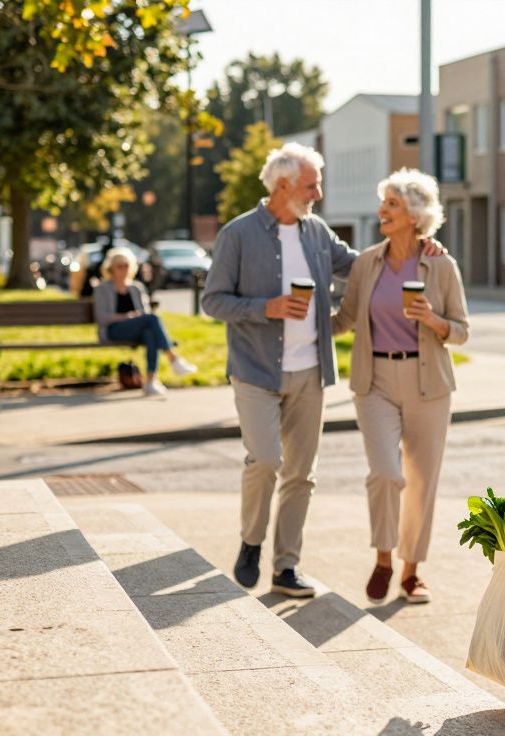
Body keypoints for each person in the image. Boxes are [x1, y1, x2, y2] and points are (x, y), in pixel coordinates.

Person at [203, 142, 441, 599]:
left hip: (311, 372)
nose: (318, 193)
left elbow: (363, 266)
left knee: (300, 474)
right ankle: (252, 540)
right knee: (266, 460)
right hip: (256, 370)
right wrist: (265, 307)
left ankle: (286, 566)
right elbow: (212, 301)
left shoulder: (317, 233)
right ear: (284, 184)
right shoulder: (238, 234)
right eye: (312, 184)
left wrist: (416, 246)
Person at [332, 168, 469, 606]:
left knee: (422, 481)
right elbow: (345, 318)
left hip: (428, 383)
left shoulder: (441, 264)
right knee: (386, 474)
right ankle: (384, 557)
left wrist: (433, 319)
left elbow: (462, 331)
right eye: (383, 203)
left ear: (414, 214)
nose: (382, 211)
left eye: (391, 204)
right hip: (374, 381)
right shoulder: (367, 262)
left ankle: (412, 572)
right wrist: (300, 321)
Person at [92, 247, 197, 396]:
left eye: (126, 265)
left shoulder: (136, 288)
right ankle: (173, 359)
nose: (123, 269)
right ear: (111, 269)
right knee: (153, 319)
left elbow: (144, 313)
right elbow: (101, 317)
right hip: (113, 329)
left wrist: (136, 318)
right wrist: (125, 317)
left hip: (136, 328)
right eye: (119, 266)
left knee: (150, 333)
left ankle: (150, 381)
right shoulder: (102, 289)